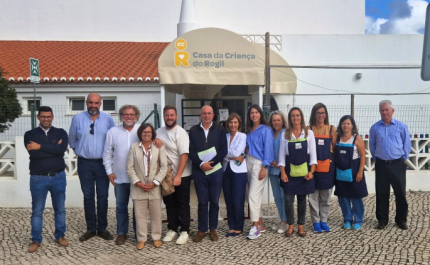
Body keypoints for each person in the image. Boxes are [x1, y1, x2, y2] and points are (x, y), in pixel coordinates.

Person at [69, 93, 115, 242]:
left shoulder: (108, 119)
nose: (93, 106)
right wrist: (81, 152)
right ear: (86, 102)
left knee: (102, 197)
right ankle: (90, 228)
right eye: (91, 103)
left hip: (103, 164)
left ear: (100, 104)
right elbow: (72, 140)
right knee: (88, 197)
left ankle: (102, 228)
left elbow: (113, 139)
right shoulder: (77, 119)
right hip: (85, 163)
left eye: (96, 103)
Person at [24, 106, 69, 253]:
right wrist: (52, 148)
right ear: (38, 117)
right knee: (37, 211)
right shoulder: (29, 134)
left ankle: (60, 236)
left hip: (58, 177)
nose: (46, 119)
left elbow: (61, 150)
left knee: (60, 209)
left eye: (48, 116)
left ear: (53, 117)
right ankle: (36, 240)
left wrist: (40, 146)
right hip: (38, 178)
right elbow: (34, 155)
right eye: (43, 116)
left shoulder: (61, 132)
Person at [153, 105, 192, 245]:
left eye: (172, 115)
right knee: (169, 203)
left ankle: (185, 230)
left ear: (176, 116)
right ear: (163, 116)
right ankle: (172, 228)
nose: (169, 118)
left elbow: (185, 155)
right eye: (167, 115)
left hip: (182, 174)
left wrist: (178, 176)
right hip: (166, 176)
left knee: (182, 203)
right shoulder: (158, 132)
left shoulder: (180, 133)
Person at [369, 100, 411, 230]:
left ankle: (401, 220)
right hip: (381, 164)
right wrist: (379, 159)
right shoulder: (375, 128)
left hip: (397, 163)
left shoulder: (401, 126)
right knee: (382, 193)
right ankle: (382, 220)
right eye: (382, 110)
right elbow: (372, 146)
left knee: (400, 193)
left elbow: (407, 145)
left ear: (392, 111)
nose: (384, 112)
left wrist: (401, 159)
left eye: (387, 110)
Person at [189, 105, 227, 242]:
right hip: (199, 171)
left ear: (213, 115)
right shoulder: (193, 130)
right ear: (200, 115)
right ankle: (201, 229)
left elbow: (223, 150)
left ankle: (213, 229)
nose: (206, 116)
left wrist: (211, 164)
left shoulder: (220, 129)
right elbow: (191, 151)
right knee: (202, 201)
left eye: (209, 113)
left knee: (214, 201)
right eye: (204, 113)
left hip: (215, 171)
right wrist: (201, 164)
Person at [102, 105, 140, 245]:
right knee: (121, 207)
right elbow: (107, 154)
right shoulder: (113, 131)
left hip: (138, 177)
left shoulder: (141, 130)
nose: (129, 117)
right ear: (121, 116)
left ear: (136, 115)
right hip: (120, 176)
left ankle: (139, 232)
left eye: (132, 114)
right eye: (126, 114)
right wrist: (109, 172)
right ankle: (122, 233)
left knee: (138, 206)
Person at [127, 123, 167, 250]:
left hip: (154, 186)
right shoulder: (134, 147)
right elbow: (129, 168)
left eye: (149, 132)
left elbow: (164, 167)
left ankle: (156, 237)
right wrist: (137, 182)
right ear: (140, 134)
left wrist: (155, 182)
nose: (146, 134)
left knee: (156, 214)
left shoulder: (158, 147)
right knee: (140, 215)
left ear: (152, 134)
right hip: (138, 187)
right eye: (144, 132)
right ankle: (141, 239)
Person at [279, 107, 316, 238]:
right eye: (293, 116)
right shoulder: (285, 134)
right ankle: (290, 225)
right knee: (288, 200)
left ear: (301, 117)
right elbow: (282, 156)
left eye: (298, 115)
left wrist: (312, 171)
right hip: (289, 171)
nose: (295, 118)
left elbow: (313, 155)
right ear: (290, 118)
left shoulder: (308, 133)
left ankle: (301, 226)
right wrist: (282, 173)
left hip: (304, 172)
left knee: (302, 200)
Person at [245, 104, 274, 240]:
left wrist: (265, 167)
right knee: (254, 196)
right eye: (252, 113)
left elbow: (268, 148)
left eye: (256, 112)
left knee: (252, 196)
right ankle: (261, 224)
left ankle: (255, 227)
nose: (254, 115)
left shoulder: (266, 130)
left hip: (259, 164)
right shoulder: (249, 130)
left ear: (260, 114)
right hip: (248, 163)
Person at [334, 115, 367, 230]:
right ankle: (347, 219)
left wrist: (360, 171)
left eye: (348, 123)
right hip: (340, 172)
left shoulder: (357, 139)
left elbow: (363, 155)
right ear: (341, 125)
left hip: (354, 171)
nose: (346, 125)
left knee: (356, 196)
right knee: (343, 197)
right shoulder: (336, 138)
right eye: (344, 123)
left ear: (352, 125)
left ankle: (358, 220)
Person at [307, 103, 337, 233]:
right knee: (313, 197)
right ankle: (315, 222)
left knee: (325, 197)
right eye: (318, 113)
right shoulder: (309, 129)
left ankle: (323, 220)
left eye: (323, 113)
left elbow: (335, 148)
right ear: (314, 114)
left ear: (326, 114)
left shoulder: (331, 129)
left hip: (328, 168)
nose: (321, 115)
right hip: (313, 168)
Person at [222, 113, 247, 237]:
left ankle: (239, 226)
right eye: (231, 122)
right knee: (229, 200)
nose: (233, 124)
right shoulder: (224, 136)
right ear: (228, 124)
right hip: (225, 170)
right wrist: (232, 155)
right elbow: (221, 151)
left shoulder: (242, 136)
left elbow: (237, 152)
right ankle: (231, 226)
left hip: (239, 171)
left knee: (238, 200)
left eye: (235, 122)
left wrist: (227, 153)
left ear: (239, 124)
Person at [268, 110, 288, 234]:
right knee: (276, 197)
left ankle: (285, 221)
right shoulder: (269, 133)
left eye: (278, 120)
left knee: (283, 196)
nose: (276, 122)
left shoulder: (286, 133)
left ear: (282, 121)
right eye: (274, 120)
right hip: (271, 169)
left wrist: (279, 163)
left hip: (282, 170)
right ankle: (282, 219)